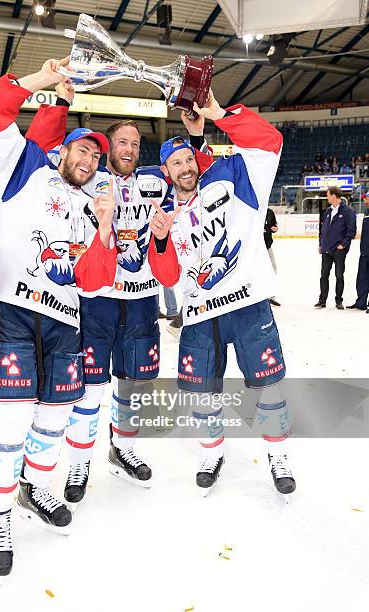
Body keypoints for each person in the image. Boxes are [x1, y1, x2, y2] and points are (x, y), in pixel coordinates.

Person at [0, 58, 117, 580]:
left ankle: (34, 486)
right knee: (9, 421)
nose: (91, 159)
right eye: (83, 148)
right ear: (61, 151)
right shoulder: (21, 169)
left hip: (64, 321)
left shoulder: (90, 206)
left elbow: (96, 279)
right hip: (9, 311)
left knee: (54, 420)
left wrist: (104, 228)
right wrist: (44, 81)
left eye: (97, 156)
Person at [148, 90, 296, 497]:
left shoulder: (232, 177)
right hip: (199, 316)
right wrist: (159, 240)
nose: (184, 167)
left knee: (269, 387)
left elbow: (269, 141)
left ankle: (278, 456)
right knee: (202, 393)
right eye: (174, 163)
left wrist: (216, 113)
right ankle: (210, 453)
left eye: (187, 159)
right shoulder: (164, 214)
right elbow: (167, 274)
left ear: (198, 158)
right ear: (165, 171)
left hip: (248, 306)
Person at [27, 98, 173, 507]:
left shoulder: (156, 183)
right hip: (97, 302)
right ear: (108, 149)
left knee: (130, 384)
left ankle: (121, 448)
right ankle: (79, 463)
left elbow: (189, 176)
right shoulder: (86, 181)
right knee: (89, 391)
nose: (129, 148)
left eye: (135, 144)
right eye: (122, 142)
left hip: (143, 301)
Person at [315, 186, 356, 309]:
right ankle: (322, 300)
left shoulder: (348, 211)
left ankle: (339, 301)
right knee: (324, 275)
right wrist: (321, 244)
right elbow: (322, 230)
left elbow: (351, 230)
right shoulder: (327, 211)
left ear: (334, 195)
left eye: (328, 195)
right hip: (326, 249)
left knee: (339, 275)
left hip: (339, 250)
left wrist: (343, 244)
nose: (326, 197)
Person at [347, 193, 369, 312]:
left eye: (367, 198)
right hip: (364, 252)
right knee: (362, 278)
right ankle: (361, 302)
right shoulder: (366, 212)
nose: (365, 200)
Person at [264, 207, 280, 306]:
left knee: (272, 269)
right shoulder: (252, 210)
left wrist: (275, 229)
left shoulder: (269, 212)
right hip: (255, 249)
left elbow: (274, 227)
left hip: (268, 247)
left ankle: (270, 295)